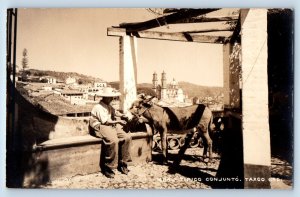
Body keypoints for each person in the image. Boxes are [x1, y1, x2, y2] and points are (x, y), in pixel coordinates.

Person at [89, 87, 132, 178]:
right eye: (110, 97)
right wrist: (118, 122)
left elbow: (115, 113)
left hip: (110, 125)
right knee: (113, 140)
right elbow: (105, 121)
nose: (112, 99)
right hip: (100, 126)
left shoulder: (108, 105)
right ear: (104, 97)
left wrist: (123, 115)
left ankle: (123, 163)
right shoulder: (98, 107)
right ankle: (108, 167)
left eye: (112, 97)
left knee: (127, 137)